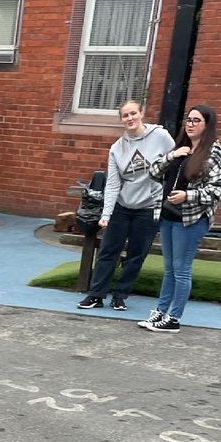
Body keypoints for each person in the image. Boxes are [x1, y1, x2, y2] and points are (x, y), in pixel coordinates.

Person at [139, 104, 221, 333]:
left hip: (191, 219)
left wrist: (187, 196)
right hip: (169, 215)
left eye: (196, 121)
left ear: (207, 125)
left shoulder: (217, 154)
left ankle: (174, 318)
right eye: (188, 120)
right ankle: (161, 312)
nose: (190, 125)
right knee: (169, 269)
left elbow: (217, 191)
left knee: (181, 269)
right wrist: (172, 155)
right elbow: (153, 172)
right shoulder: (182, 148)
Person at [76, 99, 175, 312]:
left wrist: (164, 195)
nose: (129, 118)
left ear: (141, 114)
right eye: (125, 115)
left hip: (148, 208)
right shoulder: (117, 148)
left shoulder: (161, 137)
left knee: (136, 254)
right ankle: (96, 295)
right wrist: (107, 213)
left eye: (133, 113)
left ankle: (120, 296)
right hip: (122, 207)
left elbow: (173, 163)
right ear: (121, 120)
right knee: (108, 251)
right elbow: (112, 183)